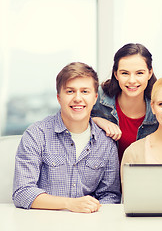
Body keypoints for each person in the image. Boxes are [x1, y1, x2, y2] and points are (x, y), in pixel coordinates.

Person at [13, 62, 121, 213]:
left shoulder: (106, 143)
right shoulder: (36, 134)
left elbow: (110, 195)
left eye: (85, 91)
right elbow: (22, 192)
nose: (78, 98)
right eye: (70, 91)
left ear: (95, 97)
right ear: (59, 97)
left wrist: (92, 211)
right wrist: (70, 204)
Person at [91, 43, 158, 163]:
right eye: (125, 73)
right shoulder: (98, 97)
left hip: (144, 178)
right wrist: (96, 120)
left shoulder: (160, 106)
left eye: (139, 73)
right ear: (116, 74)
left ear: (150, 73)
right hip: (103, 179)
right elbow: (69, 123)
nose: (132, 80)